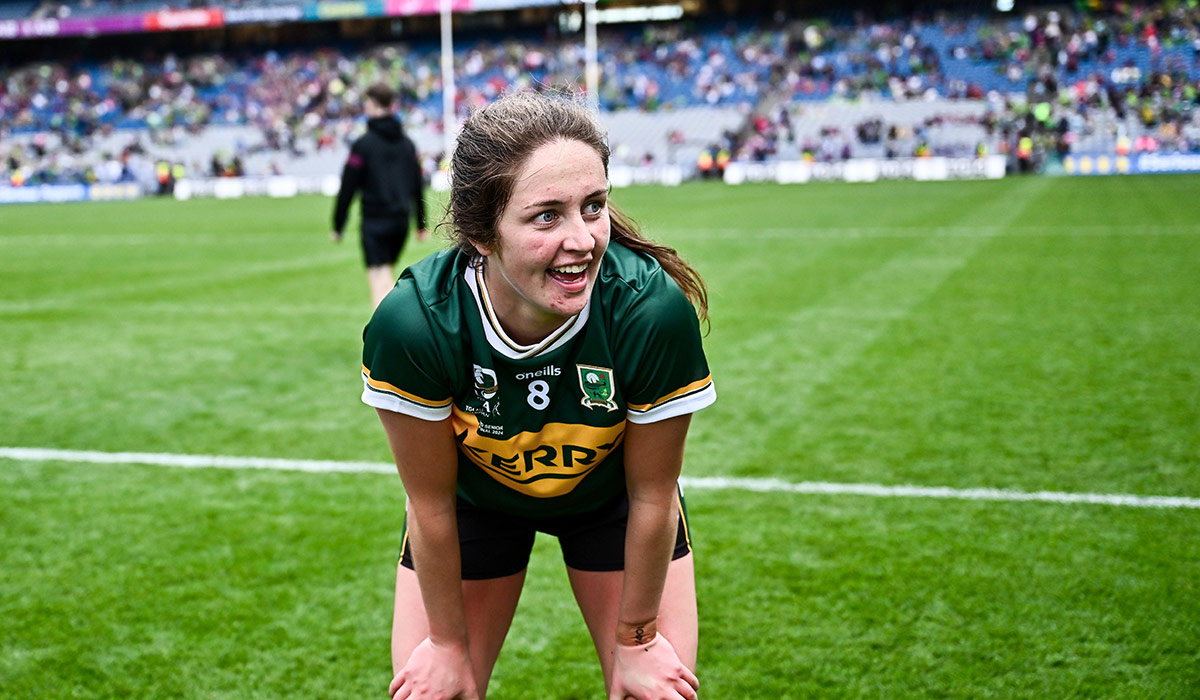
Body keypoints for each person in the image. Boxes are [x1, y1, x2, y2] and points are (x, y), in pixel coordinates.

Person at [360, 90, 715, 700]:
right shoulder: (415, 323)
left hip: (613, 500)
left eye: (593, 206)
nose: (583, 240)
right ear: (481, 233)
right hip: (474, 503)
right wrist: (446, 645)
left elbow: (653, 494)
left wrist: (636, 641)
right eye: (547, 216)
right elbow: (431, 504)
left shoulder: (650, 311)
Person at [332, 82, 429, 309]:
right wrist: (421, 223)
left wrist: (338, 223)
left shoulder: (363, 145)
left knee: (379, 278)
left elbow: (348, 186)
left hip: (375, 220)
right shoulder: (408, 145)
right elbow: (417, 185)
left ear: (373, 104)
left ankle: (387, 327)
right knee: (386, 272)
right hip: (401, 221)